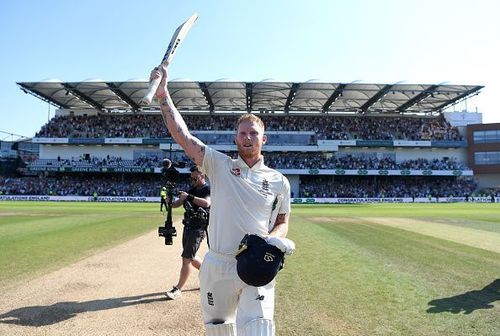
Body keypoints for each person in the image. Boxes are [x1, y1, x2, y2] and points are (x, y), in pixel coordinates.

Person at [151, 66, 295, 336]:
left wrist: (275, 237)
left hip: (256, 263)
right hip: (217, 264)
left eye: (253, 133)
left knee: (259, 330)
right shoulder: (219, 165)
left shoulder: (279, 181)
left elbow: (283, 221)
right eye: (242, 133)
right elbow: (183, 136)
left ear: (263, 139)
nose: (247, 138)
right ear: (235, 138)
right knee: (218, 331)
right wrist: (163, 95)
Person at [165, 165, 211, 300]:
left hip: (198, 228)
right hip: (189, 226)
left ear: (202, 176)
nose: (192, 180)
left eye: (195, 177)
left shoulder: (207, 189)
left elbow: (207, 203)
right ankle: (209, 276)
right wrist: (170, 202)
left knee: (186, 259)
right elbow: (178, 203)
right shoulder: (192, 189)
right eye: (191, 178)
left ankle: (178, 289)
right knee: (190, 256)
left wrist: (189, 197)